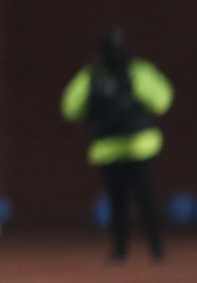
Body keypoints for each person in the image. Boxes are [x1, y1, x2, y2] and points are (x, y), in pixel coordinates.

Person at [61, 26, 173, 262]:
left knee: (117, 201)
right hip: (140, 145)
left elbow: (70, 108)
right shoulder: (139, 71)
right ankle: (157, 248)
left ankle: (121, 250)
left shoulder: (91, 76)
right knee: (147, 199)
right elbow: (163, 100)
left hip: (107, 148)